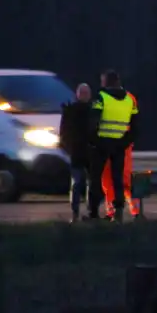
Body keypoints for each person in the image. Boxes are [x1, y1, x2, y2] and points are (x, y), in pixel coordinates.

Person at [89, 70, 138, 223]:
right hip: (120, 145)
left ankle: (94, 212)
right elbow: (136, 126)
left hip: (103, 143)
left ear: (106, 82)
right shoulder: (129, 99)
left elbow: (93, 122)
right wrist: (124, 141)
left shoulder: (101, 97)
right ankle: (119, 211)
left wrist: (94, 141)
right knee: (118, 179)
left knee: (96, 178)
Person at [101, 89, 142, 221]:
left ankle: (135, 211)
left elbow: (134, 122)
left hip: (121, 145)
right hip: (109, 144)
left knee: (124, 179)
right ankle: (112, 212)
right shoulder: (103, 97)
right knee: (107, 181)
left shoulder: (128, 98)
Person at [59, 83, 97, 222]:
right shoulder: (71, 111)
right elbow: (64, 132)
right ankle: (75, 213)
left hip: (89, 151)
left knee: (90, 184)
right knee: (77, 183)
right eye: (83, 93)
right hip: (77, 151)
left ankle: (89, 212)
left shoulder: (92, 110)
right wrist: (68, 147)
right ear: (78, 94)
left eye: (86, 93)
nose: (85, 96)